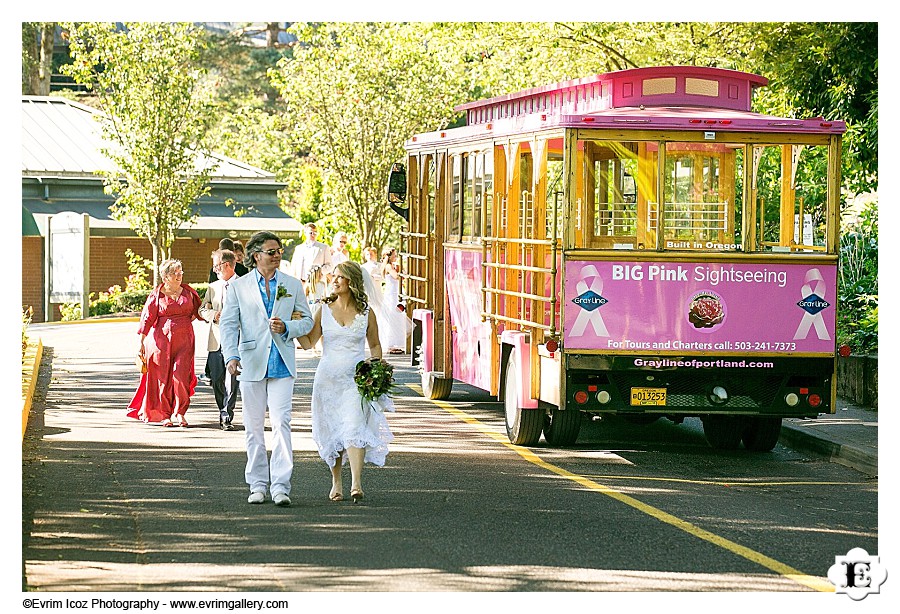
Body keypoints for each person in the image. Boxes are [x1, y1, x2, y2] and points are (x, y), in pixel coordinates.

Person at [220, 231, 314, 507]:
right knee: (254, 426)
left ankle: (281, 486)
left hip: (282, 362)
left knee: (282, 424)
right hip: (251, 362)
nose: (277, 256)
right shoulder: (239, 287)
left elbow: (307, 321)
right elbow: (228, 324)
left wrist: (288, 327)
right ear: (256, 255)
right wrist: (231, 356)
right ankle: (258, 484)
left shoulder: (292, 284)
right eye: (271, 251)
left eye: (279, 251)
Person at [297, 261, 395, 503]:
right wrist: (295, 325)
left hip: (355, 381)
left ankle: (357, 483)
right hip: (327, 380)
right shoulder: (324, 309)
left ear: (352, 281)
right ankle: (336, 481)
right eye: (335, 276)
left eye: (340, 277)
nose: (335, 280)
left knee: (353, 427)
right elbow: (309, 343)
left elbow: (374, 345)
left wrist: (375, 369)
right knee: (332, 429)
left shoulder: (366, 312)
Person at [127, 259, 203, 427]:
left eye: (180, 272)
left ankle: (180, 412)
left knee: (180, 376)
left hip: (184, 341)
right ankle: (164, 414)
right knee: (162, 378)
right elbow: (147, 319)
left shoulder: (189, 292)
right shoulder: (157, 295)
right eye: (175, 273)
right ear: (165, 277)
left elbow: (199, 311)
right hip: (160, 342)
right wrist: (141, 342)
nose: (179, 276)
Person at [199, 249, 240, 431]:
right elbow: (201, 310)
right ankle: (221, 408)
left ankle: (226, 415)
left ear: (226, 265)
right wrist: (213, 314)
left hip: (237, 339)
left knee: (232, 380)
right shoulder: (213, 287)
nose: (214, 270)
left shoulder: (243, 285)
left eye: (216, 266)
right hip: (216, 339)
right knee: (216, 379)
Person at [290, 222, 333, 311]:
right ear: (305, 233)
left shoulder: (323, 247)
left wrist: (319, 272)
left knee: (316, 307)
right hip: (301, 282)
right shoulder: (299, 248)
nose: (313, 234)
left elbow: (330, 265)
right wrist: (294, 280)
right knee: (300, 307)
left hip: (317, 282)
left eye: (315, 232)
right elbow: (294, 265)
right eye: (311, 232)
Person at [379, 247, 410, 354]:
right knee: (393, 316)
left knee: (398, 317)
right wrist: (400, 271)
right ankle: (390, 344)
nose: (396, 257)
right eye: (394, 255)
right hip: (391, 293)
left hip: (396, 292)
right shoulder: (388, 266)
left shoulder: (394, 266)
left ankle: (397, 343)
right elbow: (396, 276)